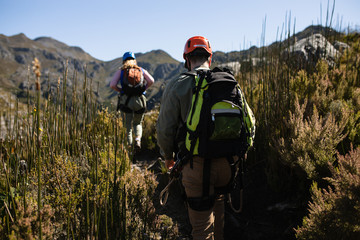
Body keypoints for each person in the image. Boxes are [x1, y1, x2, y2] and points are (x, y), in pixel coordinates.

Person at [156, 36, 235, 240]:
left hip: (196, 166)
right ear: (210, 57)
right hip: (227, 164)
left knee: (201, 229)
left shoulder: (178, 84)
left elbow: (165, 129)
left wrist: (168, 157)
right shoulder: (227, 83)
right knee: (218, 211)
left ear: (187, 60)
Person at [110, 51, 154, 149]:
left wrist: (121, 90)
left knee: (127, 126)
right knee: (138, 123)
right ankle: (138, 140)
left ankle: (130, 149)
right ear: (134, 60)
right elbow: (151, 81)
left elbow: (112, 85)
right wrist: (143, 89)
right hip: (140, 100)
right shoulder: (141, 70)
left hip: (126, 101)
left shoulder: (121, 71)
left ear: (123, 61)